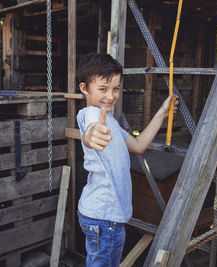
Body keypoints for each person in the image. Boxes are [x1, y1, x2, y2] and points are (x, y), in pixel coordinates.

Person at [76, 52, 178, 267]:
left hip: (102, 217)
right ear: (84, 88)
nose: (111, 96)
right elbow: (90, 131)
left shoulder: (110, 121)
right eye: (103, 89)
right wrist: (91, 135)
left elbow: (139, 146)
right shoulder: (91, 115)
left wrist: (162, 113)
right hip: (104, 219)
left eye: (115, 89)